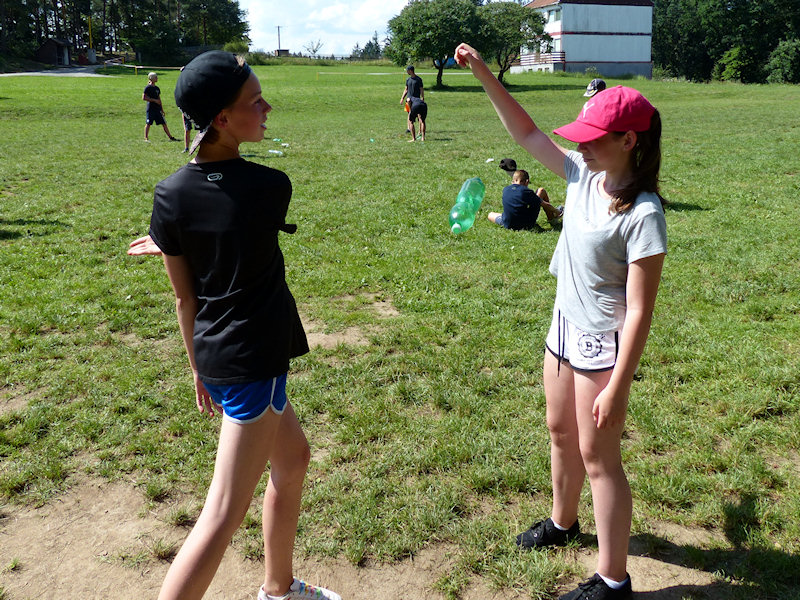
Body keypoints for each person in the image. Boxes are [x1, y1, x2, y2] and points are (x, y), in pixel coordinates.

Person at [455, 42, 666, 600]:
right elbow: (525, 132)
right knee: (560, 432)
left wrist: (618, 385)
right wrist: (484, 73)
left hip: (602, 346)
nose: (582, 146)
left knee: (599, 458)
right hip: (564, 329)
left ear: (629, 141)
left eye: (594, 138)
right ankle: (563, 522)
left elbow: (640, 310)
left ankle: (613, 580)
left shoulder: (644, 214)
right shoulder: (581, 174)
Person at [134, 50, 341, 600]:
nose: (267, 107)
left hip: (216, 355)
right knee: (222, 513)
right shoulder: (270, 186)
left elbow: (185, 297)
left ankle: (278, 588)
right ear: (223, 118)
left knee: (293, 459)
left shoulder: (169, 195)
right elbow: (235, 218)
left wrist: (196, 368)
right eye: (256, 100)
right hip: (255, 359)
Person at [488, 169, 563, 230]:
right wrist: (557, 211)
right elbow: (544, 204)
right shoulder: (526, 192)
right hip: (526, 225)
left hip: (508, 224)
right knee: (541, 190)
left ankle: (509, 219)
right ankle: (552, 219)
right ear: (527, 182)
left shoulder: (505, 189)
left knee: (490, 214)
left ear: (512, 181)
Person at [143, 72, 179, 142]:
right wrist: (154, 100)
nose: (157, 78)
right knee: (148, 123)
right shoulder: (148, 88)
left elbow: (159, 99)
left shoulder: (157, 88)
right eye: (155, 77)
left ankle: (170, 137)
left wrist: (162, 109)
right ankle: (146, 138)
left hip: (157, 109)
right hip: (151, 109)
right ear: (151, 78)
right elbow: (144, 97)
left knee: (164, 123)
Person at [400, 65, 424, 132]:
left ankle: (420, 129)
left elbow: (421, 89)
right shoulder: (408, 80)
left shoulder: (418, 79)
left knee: (418, 114)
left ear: (410, 71)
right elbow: (406, 89)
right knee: (409, 113)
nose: (407, 72)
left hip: (416, 100)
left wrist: (422, 97)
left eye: (407, 70)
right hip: (408, 99)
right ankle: (409, 128)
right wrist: (402, 98)